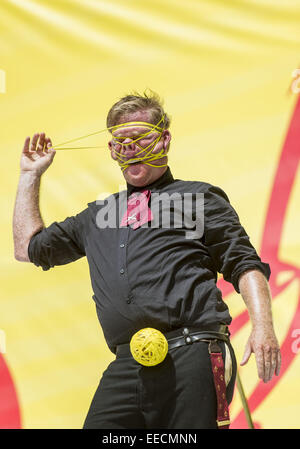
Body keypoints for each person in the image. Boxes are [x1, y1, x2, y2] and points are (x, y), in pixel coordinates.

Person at [13, 91, 281, 429]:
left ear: (164, 140)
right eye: (121, 141)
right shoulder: (97, 215)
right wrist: (30, 175)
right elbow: (27, 249)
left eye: (141, 137)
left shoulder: (198, 198)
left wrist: (264, 326)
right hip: (128, 362)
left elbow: (244, 263)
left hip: (193, 352)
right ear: (111, 150)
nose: (131, 148)